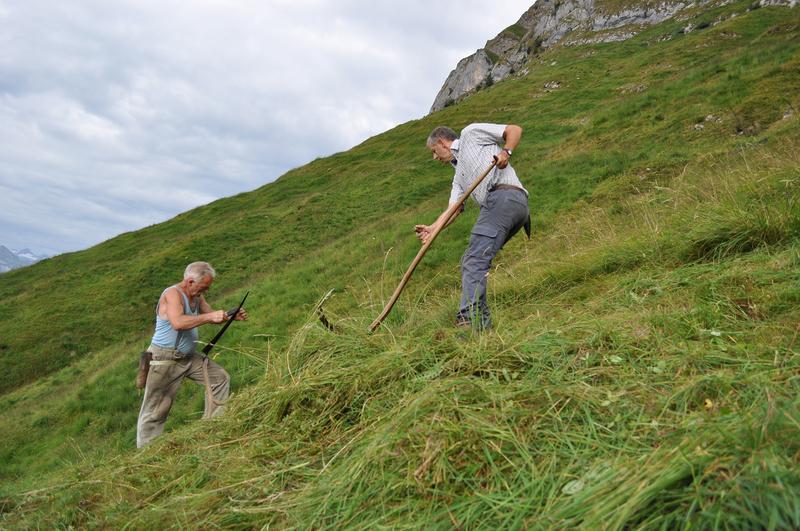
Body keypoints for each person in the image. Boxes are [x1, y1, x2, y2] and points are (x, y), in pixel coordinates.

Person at [416, 123, 530, 330]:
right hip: (510, 207)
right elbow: (454, 209)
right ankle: (481, 322)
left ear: (442, 142)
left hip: (504, 197)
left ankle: (470, 321)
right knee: (473, 259)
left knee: (474, 259)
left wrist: (506, 151)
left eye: (434, 151)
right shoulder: (458, 177)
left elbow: (514, 130)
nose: (435, 158)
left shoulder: (471, 134)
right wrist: (434, 228)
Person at [136, 261, 248, 448]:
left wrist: (230, 315)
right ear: (189, 281)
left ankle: (213, 430)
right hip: (165, 359)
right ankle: (146, 455)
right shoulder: (172, 294)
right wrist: (209, 317)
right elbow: (178, 322)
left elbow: (211, 315)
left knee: (219, 379)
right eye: (203, 287)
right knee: (155, 410)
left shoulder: (197, 296)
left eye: (207, 288)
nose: (204, 292)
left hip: (188, 358)